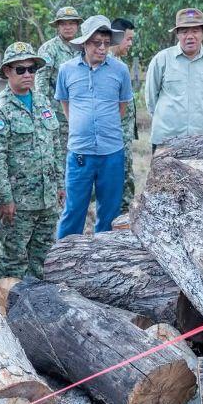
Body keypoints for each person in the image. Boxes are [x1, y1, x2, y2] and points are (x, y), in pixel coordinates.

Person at [0, 43, 63, 279]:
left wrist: (59, 184)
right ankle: (10, 309)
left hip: (46, 199)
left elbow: (55, 146)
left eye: (32, 69)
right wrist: (4, 198)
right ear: (7, 71)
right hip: (18, 203)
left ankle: (38, 308)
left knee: (44, 259)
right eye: (21, 69)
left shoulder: (43, 102)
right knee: (14, 261)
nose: (28, 74)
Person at [55, 15, 133, 238]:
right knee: (73, 210)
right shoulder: (67, 70)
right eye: (96, 43)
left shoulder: (120, 71)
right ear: (84, 43)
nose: (102, 48)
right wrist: (83, 127)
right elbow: (65, 104)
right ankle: (63, 261)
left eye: (107, 44)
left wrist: (104, 128)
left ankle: (102, 261)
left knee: (109, 212)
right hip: (80, 151)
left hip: (112, 152)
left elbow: (122, 106)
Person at [144, 8, 203, 151]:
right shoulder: (162, 59)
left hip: (200, 141)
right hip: (165, 140)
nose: (190, 36)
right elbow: (151, 99)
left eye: (195, 31)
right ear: (177, 34)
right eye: (184, 31)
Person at [35, 5, 84, 165]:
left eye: (72, 23)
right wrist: (46, 115)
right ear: (57, 26)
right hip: (59, 116)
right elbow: (41, 85)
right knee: (61, 159)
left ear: (77, 25)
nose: (68, 27)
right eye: (64, 23)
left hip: (83, 113)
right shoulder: (49, 49)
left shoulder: (85, 47)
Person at [109, 17, 139, 218]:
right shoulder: (107, 66)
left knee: (125, 184)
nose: (130, 44)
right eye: (128, 39)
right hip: (113, 140)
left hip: (124, 138)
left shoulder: (119, 64)